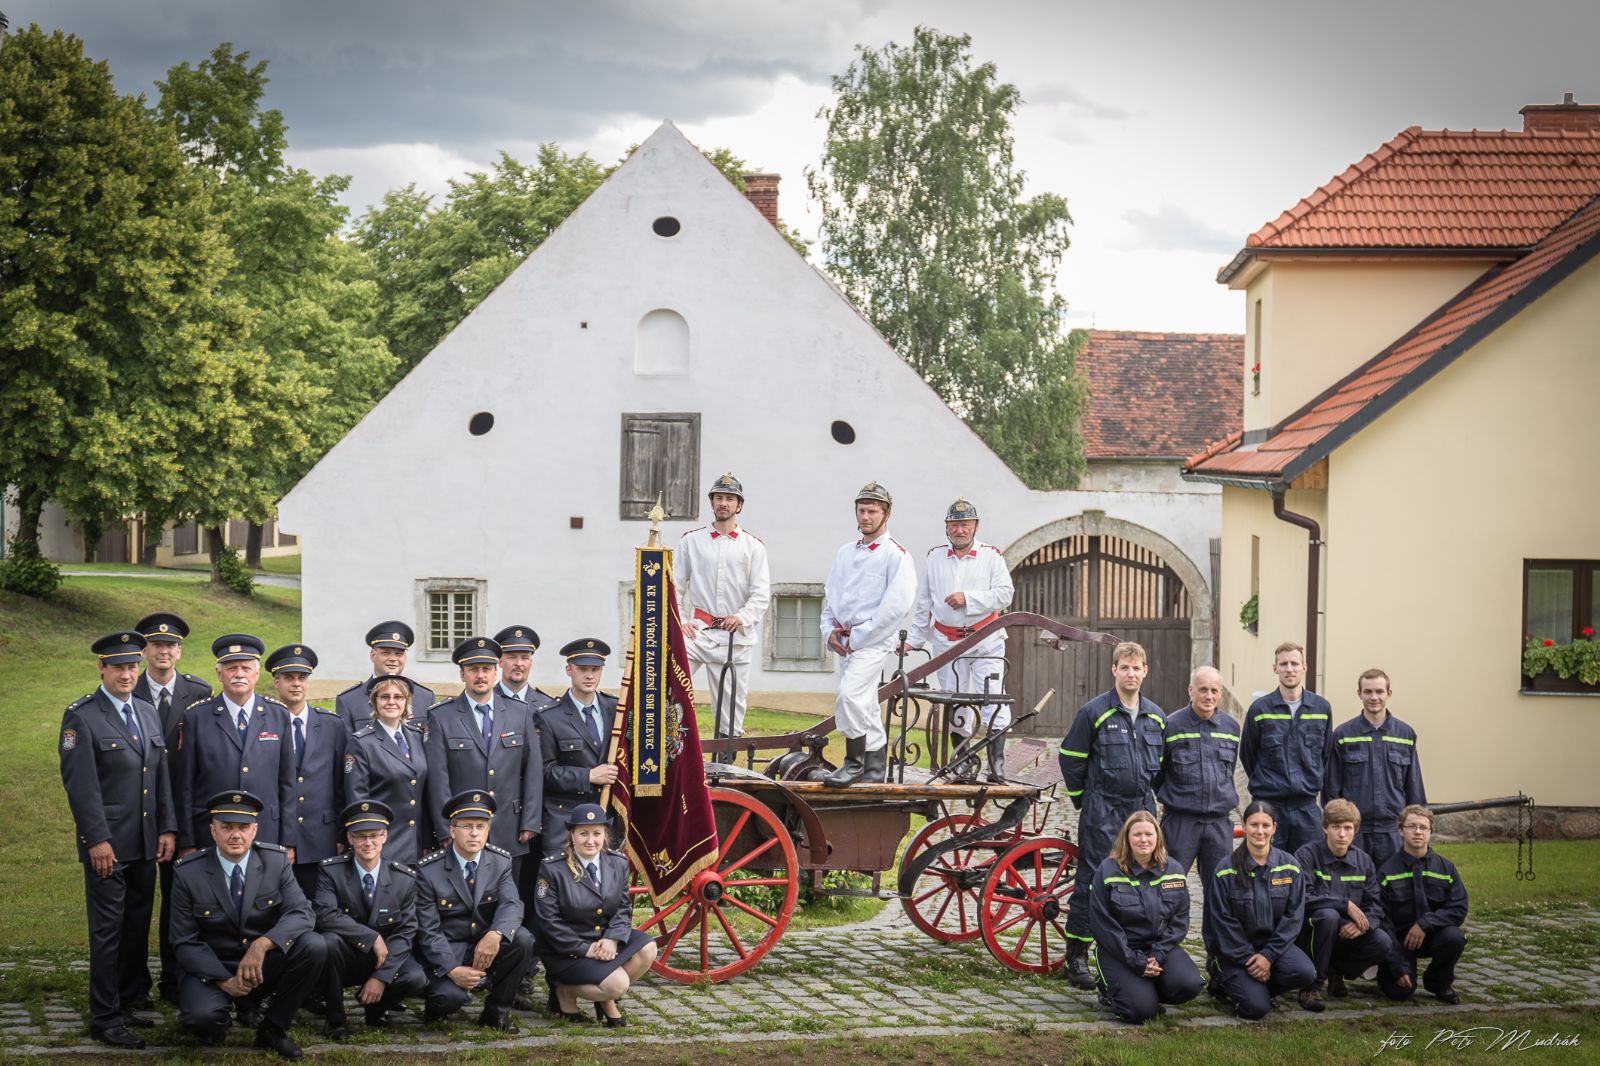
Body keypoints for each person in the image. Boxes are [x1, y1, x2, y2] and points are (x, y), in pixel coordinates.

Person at [59, 632, 177, 1048]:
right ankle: (105, 1017)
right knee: (108, 931)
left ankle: (127, 1001)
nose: (127, 674)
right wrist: (96, 840)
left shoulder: (145, 710)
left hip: (145, 842)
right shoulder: (82, 717)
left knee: (135, 927)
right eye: (118, 667)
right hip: (108, 846)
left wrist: (167, 827)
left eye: (132, 667)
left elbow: (159, 775)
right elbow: (81, 788)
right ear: (102, 668)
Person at [169, 791, 326, 1060]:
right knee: (202, 1019)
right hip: (214, 966)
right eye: (227, 827)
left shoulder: (275, 862)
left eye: (243, 827)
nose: (235, 835)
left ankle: (273, 1029)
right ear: (213, 830)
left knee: (315, 946)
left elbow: (302, 912)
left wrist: (262, 944)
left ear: (254, 830)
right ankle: (223, 1013)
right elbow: (184, 940)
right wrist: (223, 981)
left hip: (261, 965)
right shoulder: (188, 872)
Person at [1058, 641, 1166, 989]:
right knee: (1092, 880)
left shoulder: (1156, 717)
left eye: (1136, 668)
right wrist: (1084, 799)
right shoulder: (1094, 712)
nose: (1131, 673)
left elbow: (1161, 765)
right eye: (1125, 667)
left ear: (1145, 671)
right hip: (1102, 808)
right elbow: (1071, 758)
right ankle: (1077, 955)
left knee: (1140, 878)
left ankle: (1132, 951)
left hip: (1140, 810)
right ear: (1114, 670)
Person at [129, 611, 212, 1006]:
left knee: (182, 900)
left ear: (180, 651)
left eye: (171, 645)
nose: (163, 651)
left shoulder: (199, 691)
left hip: (185, 811)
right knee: (138, 903)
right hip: (140, 814)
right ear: (144, 651)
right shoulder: (128, 687)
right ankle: (133, 985)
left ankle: (177, 979)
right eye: (156, 645)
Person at [903, 498, 1015, 782]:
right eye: (954, 525)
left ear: (975, 526)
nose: (960, 530)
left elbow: (1005, 595)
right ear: (947, 527)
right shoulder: (935, 557)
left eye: (965, 524)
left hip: (985, 639)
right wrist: (914, 640)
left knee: (993, 697)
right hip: (947, 641)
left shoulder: (991, 556)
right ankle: (962, 760)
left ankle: (996, 764)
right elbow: (924, 603)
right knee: (954, 699)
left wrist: (969, 599)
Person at [819, 481, 916, 787]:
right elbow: (830, 596)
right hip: (845, 641)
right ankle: (874, 769)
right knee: (865, 705)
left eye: (872, 511)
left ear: (886, 514)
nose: (865, 517)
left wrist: (858, 637)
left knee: (850, 696)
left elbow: (895, 608)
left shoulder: (897, 556)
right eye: (861, 510)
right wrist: (829, 631)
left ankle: (854, 763)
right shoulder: (844, 553)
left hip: (873, 642)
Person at [413, 791, 535, 1031]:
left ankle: (496, 1014)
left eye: (481, 826)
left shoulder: (500, 861)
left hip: (484, 943)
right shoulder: (428, 871)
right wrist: (451, 969)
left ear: (488, 830)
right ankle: (435, 1005)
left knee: (522, 939)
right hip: (448, 949)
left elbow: (512, 904)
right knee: (448, 999)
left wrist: (496, 934)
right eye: (467, 826)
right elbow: (428, 931)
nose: (474, 833)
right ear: (452, 831)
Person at [424, 637, 542, 876]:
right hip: (463, 830)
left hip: (510, 827)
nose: (480, 675)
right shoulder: (442, 716)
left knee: (508, 892)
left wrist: (530, 820)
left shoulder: (520, 712)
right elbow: (438, 779)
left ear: (496, 672)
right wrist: (445, 828)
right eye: (473, 669)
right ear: (462, 674)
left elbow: (533, 770)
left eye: (486, 669)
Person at [313, 800, 428, 1040]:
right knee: (329, 942)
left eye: (374, 835)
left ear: (385, 836)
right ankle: (336, 1020)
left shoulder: (403, 878)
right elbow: (325, 915)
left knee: (415, 978)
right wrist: (371, 937)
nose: (368, 843)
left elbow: (406, 931)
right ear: (350, 838)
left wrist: (381, 977)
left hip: (383, 957)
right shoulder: (331, 871)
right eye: (360, 836)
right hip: (346, 956)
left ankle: (375, 1008)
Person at [174, 635, 296, 860]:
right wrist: (187, 841)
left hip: (266, 831)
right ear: (219, 673)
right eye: (231, 668)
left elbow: (287, 783)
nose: (239, 674)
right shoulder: (196, 717)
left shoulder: (278, 715)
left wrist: (288, 840)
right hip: (210, 832)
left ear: (256, 674)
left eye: (246, 668)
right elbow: (185, 786)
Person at [535, 803, 657, 1026]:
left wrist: (612, 938)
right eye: (583, 833)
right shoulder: (552, 869)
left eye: (596, 833)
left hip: (605, 942)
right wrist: (585, 949)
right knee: (618, 984)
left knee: (648, 948)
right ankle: (565, 990)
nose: (590, 840)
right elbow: (548, 921)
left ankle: (600, 993)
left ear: (605, 835)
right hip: (567, 951)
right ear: (572, 835)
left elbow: (623, 907)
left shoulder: (617, 863)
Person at [676, 472, 771, 741]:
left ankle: (725, 759)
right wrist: (681, 620)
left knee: (730, 711)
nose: (723, 503)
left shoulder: (753, 547)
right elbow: (675, 587)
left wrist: (742, 617)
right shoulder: (691, 541)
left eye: (730, 499)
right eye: (719, 497)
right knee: (668, 684)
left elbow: (761, 594)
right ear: (712, 502)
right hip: (698, 632)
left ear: (739, 505)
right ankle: (670, 744)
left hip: (734, 637)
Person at [1203, 799, 1317, 1019]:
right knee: (1256, 1010)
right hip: (1235, 952)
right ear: (1244, 826)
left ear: (1274, 828)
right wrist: (1248, 957)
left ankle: (1256, 987)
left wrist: (1268, 956)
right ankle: (1223, 978)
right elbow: (1222, 921)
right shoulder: (1225, 870)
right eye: (1254, 825)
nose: (1260, 831)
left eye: (1266, 825)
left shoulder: (1290, 867)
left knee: (1305, 972)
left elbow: (1293, 918)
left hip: (1272, 949)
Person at [1087, 811, 1201, 1023]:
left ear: (1158, 837)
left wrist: (1158, 954)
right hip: (1120, 951)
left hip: (1159, 949)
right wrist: (1134, 960)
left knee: (1190, 984)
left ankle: (1147, 989)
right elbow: (1103, 924)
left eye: (1149, 834)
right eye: (1137, 834)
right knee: (1140, 1013)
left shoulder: (1174, 870)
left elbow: (1179, 919)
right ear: (1126, 838)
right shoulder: (1108, 870)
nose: (1143, 839)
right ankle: (1112, 989)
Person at [264, 644, 349, 899]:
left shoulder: (332, 725)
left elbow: (341, 785)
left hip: (321, 836)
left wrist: (341, 834)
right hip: (276, 837)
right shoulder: (264, 723)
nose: (296, 684)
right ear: (276, 682)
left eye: (302, 678)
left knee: (320, 906)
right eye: (288, 678)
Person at [1292, 799, 1392, 1012]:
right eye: (1336, 827)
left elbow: (1374, 904)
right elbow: (1302, 898)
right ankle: (1311, 987)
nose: (1342, 834)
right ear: (1324, 828)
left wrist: (1363, 925)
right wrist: (1344, 905)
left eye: (1348, 828)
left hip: (1348, 935)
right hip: (1311, 934)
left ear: (1355, 831)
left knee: (1382, 942)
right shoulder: (1306, 855)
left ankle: (1335, 970)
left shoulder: (1363, 861)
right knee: (1329, 916)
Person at [1240, 642, 1334, 855]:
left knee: (1308, 866)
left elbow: (1325, 755)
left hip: (1306, 808)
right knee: (1266, 865)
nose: (1289, 669)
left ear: (1304, 667)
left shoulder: (1321, 708)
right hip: (1269, 806)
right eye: (1283, 664)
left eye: (1294, 663)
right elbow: (1248, 755)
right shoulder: (1260, 710)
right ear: (1275, 668)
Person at [1325, 669, 1425, 866]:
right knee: (1354, 880)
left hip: (1393, 831)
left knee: (1394, 883)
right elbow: (1331, 788)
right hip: (1355, 832)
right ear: (1359, 694)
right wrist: (1337, 826)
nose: (1374, 697)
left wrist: (1416, 825)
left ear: (1389, 693)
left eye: (1379, 691)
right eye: (1368, 691)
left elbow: (1414, 786)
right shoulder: (1343, 735)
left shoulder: (1404, 734)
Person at [1376, 804, 1467, 1005]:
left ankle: (1438, 982)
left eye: (1423, 827)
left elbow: (1458, 907)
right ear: (1401, 830)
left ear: (1430, 831)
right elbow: (1382, 921)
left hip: (1433, 935)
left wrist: (1425, 924)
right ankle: (1388, 971)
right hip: (1400, 942)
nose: (1418, 832)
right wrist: (1397, 965)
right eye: (1412, 826)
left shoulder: (1446, 868)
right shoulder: (1387, 871)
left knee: (1455, 937)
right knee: (1400, 993)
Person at [538, 639, 621, 857]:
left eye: (595, 669)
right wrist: (588, 776)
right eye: (582, 669)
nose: (589, 676)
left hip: (606, 821)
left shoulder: (616, 710)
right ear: (569, 670)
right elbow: (545, 772)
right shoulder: (549, 716)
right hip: (565, 821)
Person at [346, 675, 430, 864]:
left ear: (406, 702)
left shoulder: (417, 737)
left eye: (398, 697)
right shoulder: (362, 743)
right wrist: (369, 842)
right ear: (374, 701)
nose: (391, 702)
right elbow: (358, 799)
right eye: (385, 697)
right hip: (384, 845)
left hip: (418, 844)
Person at [334, 622, 435, 729]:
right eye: (386, 653)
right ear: (373, 655)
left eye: (399, 654)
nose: (393, 659)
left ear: (405, 657)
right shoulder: (349, 700)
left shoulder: (425, 697)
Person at [494, 625, 556, 710]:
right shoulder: (486, 700)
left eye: (525, 658)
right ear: (500, 662)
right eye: (512, 657)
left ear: (531, 663)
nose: (519, 663)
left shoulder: (546, 705)